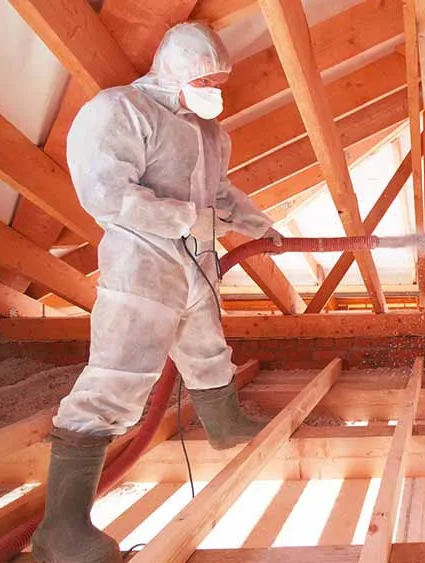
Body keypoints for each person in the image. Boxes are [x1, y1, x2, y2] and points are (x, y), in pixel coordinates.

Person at [31, 23, 280, 562]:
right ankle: (63, 528)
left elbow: (219, 194)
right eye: (205, 77)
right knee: (119, 377)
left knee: (209, 353)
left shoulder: (213, 133)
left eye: (220, 79)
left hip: (196, 265)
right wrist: (187, 218)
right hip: (141, 266)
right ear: (176, 69)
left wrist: (259, 225)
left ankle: (225, 424)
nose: (215, 87)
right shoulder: (121, 110)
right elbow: (106, 194)